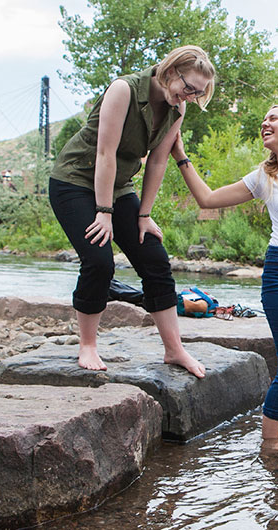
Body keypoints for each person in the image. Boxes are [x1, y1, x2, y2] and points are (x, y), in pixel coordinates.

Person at [172, 104, 278, 452]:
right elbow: (207, 200)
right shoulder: (262, 177)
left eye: (272, 118)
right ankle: (270, 442)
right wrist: (181, 156)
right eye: (263, 119)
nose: (264, 123)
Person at [48, 45, 214, 376]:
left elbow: (156, 161)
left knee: (154, 258)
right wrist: (104, 212)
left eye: (198, 93)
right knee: (99, 260)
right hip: (75, 181)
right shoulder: (123, 89)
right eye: (189, 88)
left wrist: (144, 215)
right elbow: (105, 154)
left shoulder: (176, 109)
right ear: (170, 72)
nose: (190, 97)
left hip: (120, 186)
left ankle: (174, 350)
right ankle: (88, 345)